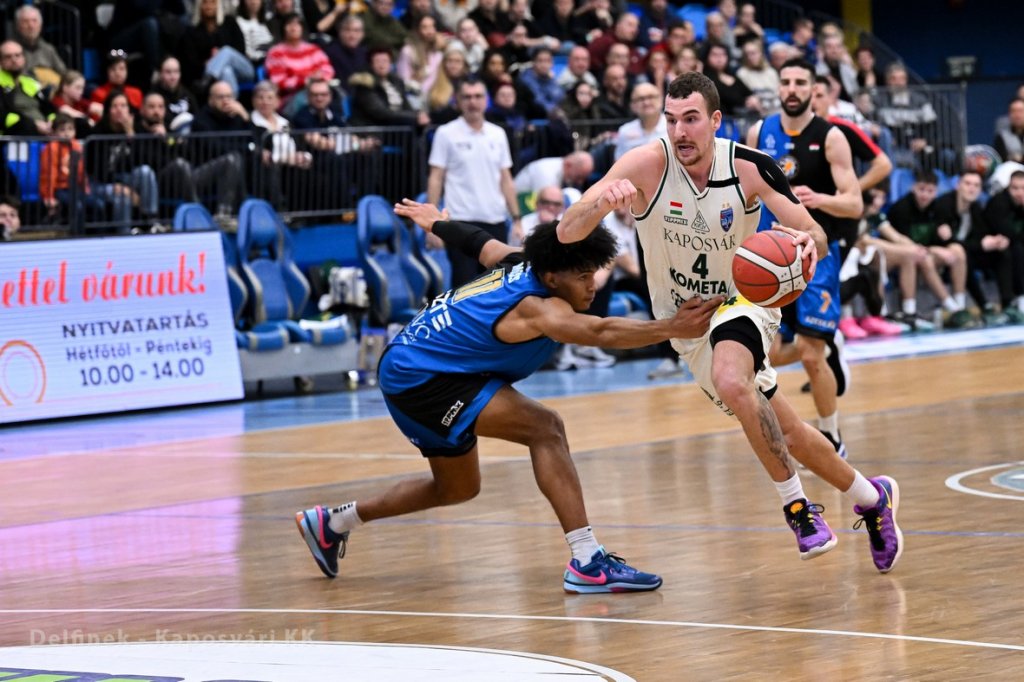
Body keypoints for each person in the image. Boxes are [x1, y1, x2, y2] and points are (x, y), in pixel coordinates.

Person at [558, 71, 903, 573]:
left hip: (745, 300)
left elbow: (815, 233)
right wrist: (599, 205)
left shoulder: (750, 166)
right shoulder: (645, 164)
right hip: (685, 323)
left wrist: (807, 243)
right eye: (671, 120)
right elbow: (567, 231)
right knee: (787, 431)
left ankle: (798, 509)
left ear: (716, 120)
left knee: (731, 377)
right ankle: (873, 498)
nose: (679, 132)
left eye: (691, 119)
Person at [296, 197, 723, 591]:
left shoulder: (522, 261)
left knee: (457, 488)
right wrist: (671, 328)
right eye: (582, 276)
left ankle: (333, 523)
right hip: (421, 376)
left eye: (593, 273)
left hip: (420, 365)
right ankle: (587, 561)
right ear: (552, 278)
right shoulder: (539, 308)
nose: (592, 285)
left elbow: (480, 244)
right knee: (546, 428)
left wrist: (439, 223)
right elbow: (601, 331)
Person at [747, 59, 863, 458]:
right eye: (786, 82)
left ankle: (831, 437)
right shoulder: (759, 132)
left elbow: (855, 203)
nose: (792, 89)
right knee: (769, 356)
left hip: (816, 251)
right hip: (769, 254)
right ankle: (832, 343)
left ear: (813, 89)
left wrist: (821, 199)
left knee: (812, 355)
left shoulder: (831, 137)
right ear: (778, 88)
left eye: (800, 82)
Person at [426, 77, 520, 288]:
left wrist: (517, 219)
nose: (473, 102)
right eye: (467, 97)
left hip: (495, 221)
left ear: (486, 100)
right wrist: (432, 224)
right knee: (465, 290)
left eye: (478, 96)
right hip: (461, 222)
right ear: (457, 101)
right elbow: (435, 177)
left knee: (497, 290)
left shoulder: (498, 134)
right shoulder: (445, 133)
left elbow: (506, 179)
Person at [13, 5, 66, 88]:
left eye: (34, 21)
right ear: (18, 26)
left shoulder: (48, 49)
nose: (31, 26)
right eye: (25, 21)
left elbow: (63, 73)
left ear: (40, 26)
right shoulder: (10, 50)